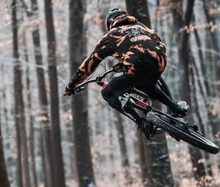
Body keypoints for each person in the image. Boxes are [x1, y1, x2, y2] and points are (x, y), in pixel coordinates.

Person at [63, 8, 188, 138]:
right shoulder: (144, 28)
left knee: (108, 93)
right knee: (146, 85)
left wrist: (71, 85)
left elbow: (89, 64)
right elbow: (154, 45)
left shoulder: (111, 35)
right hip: (160, 62)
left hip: (136, 65)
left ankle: (141, 123)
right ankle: (175, 108)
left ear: (109, 23)